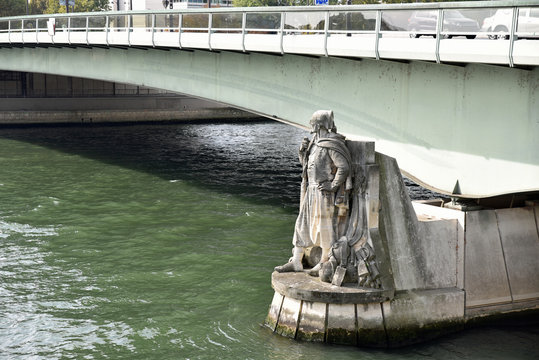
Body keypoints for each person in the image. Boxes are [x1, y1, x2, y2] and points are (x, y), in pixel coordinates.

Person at [275, 110, 352, 273]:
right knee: (302, 224)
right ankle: (296, 260)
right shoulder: (314, 144)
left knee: (324, 227)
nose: (311, 126)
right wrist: (302, 153)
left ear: (319, 125)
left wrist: (333, 185)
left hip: (323, 193)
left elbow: (343, 167)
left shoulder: (331, 143)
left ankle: (324, 261)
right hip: (310, 190)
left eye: (313, 123)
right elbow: (307, 167)